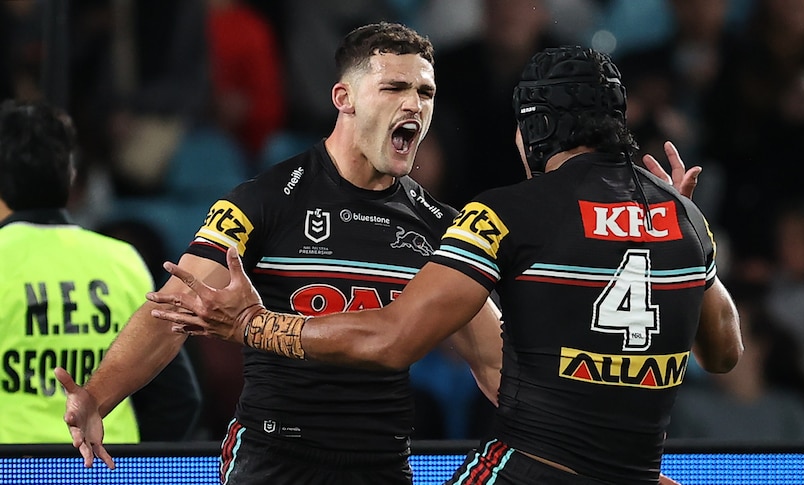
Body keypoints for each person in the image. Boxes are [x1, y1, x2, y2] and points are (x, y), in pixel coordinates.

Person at [148, 46, 743, 484]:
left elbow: (391, 339)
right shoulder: (686, 220)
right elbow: (723, 354)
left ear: (533, 129)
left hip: (529, 472)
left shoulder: (505, 213)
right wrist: (691, 232)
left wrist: (253, 325)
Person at [56, 21, 504, 484]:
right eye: (394, 87)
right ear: (344, 99)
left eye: (425, 92)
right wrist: (97, 396)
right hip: (273, 461)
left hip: (381, 465)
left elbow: (495, 364)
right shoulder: (265, 201)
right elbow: (173, 311)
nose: (414, 103)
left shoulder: (441, 226)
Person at [0, 99, 201, 444]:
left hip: (13, 469)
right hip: (106, 470)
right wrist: (123, 466)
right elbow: (179, 400)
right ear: (71, 177)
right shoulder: (122, 260)